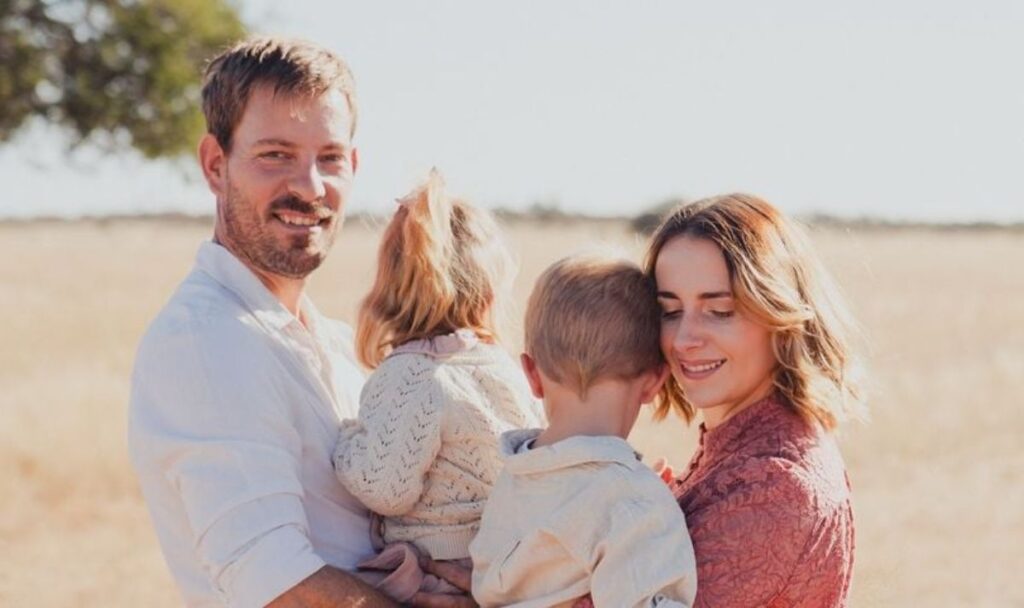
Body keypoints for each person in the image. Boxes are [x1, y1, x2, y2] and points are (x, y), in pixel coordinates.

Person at [128, 37, 468, 607]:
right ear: (215, 165)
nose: (310, 187)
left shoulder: (335, 344)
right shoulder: (208, 340)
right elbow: (273, 581)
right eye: (275, 155)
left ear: (353, 166)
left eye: (329, 158)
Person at [332, 170, 544, 602]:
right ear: (488, 292)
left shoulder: (411, 375)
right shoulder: (502, 368)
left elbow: (385, 490)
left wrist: (346, 439)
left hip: (437, 575)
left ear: (388, 288)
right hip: (506, 572)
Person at [646, 194, 863, 607]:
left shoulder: (776, 485)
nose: (684, 339)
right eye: (669, 311)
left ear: (779, 313)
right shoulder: (738, 445)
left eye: (720, 310)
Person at [470, 254, 698, 607]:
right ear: (655, 382)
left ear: (532, 374)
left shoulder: (513, 480)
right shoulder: (636, 504)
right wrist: (640, 502)